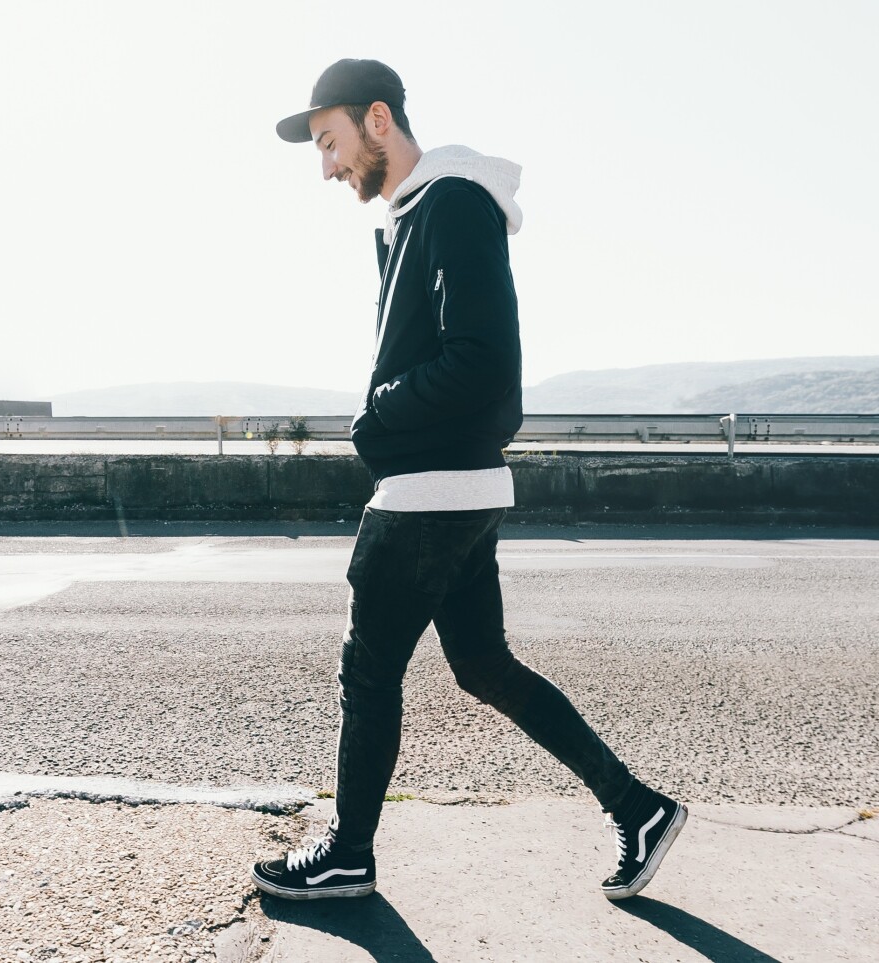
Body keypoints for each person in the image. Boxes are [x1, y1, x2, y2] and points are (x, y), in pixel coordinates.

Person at [252, 58, 686, 902]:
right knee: (482, 664)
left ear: (380, 120)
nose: (328, 166)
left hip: (427, 494)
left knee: (368, 670)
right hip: (457, 490)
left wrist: (376, 414)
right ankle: (638, 808)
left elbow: (485, 364)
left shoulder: (451, 207)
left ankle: (348, 851)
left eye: (332, 141)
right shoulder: (415, 216)